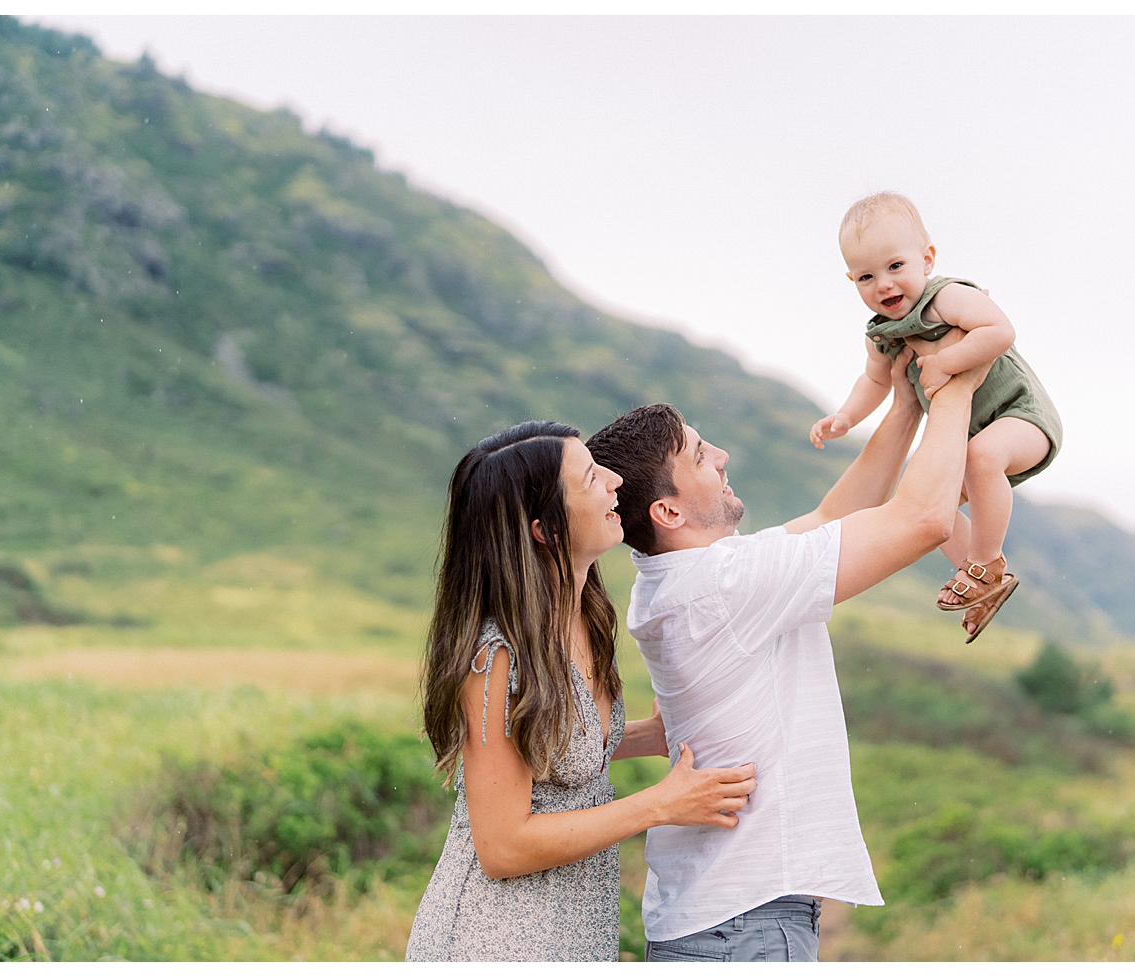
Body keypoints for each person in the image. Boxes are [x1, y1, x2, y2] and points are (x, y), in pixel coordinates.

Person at [585, 348, 986, 961]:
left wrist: (906, 405)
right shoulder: (726, 584)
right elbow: (926, 520)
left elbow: (835, 514)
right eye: (699, 455)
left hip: (720, 915)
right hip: (747, 920)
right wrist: (955, 385)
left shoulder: (678, 579)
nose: (720, 457)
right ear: (667, 511)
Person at [405, 421, 759, 962]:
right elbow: (502, 846)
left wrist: (661, 732)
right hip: (493, 943)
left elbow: (554, 749)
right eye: (592, 477)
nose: (615, 480)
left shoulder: (584, 617)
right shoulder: (496, 658)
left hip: (572, 938)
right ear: (545, 529)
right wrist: (660, 805)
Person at [810, 192, 1063, 642]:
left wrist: (949, 362)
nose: (884, 285)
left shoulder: (947, 297)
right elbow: (876, 381)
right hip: (969, 439)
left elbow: (999, 330)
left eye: (895, 267)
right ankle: (987, 586)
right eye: (867, 276)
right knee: (928, 504)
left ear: (925, 258)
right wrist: (847, 417)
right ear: (851, 280)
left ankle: (986, 564)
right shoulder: (881, 337)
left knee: (982, 454)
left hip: (1022, 416)